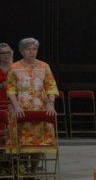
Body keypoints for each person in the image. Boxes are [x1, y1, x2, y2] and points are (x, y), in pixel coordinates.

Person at [6, 39, 59, 169]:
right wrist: (16, 106)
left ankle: (34, 170)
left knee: (38, 142)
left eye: (34, 49)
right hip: (21, 108)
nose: (32, 52)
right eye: (28, 49)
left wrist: (51, 103)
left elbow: (51, 86)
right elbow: (10, 89)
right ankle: (23, 170)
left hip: (40, 107)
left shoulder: (44, 66)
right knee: (22, 141)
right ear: (22, 51)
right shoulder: (14, 67)